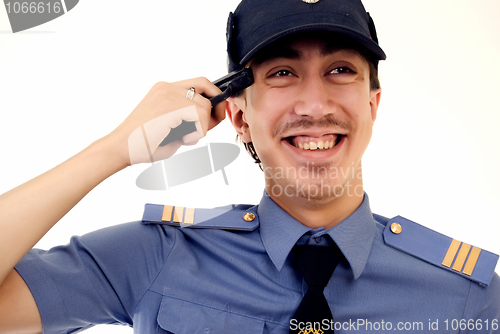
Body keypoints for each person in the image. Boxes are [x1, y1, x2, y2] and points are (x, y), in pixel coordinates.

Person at [0, 0, 499, 333]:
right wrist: (112, 149)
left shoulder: (470, 297)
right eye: (282, 73)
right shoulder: (157, 256)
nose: (313, 104)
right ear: (239, 115)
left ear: (373, 104)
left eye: (340, 70)